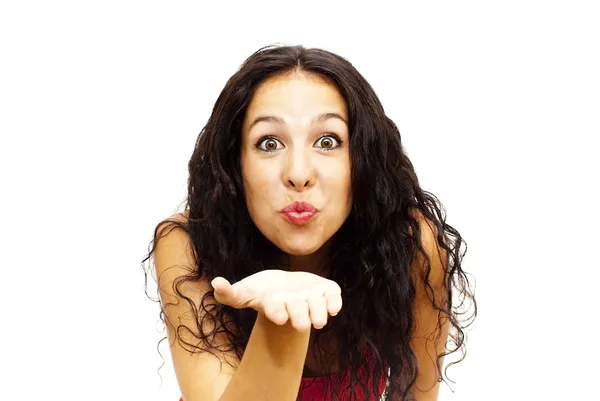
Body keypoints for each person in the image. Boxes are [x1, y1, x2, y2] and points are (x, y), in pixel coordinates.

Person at [142, 44, 477, 401]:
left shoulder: (413, 246)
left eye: (328, 141)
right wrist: (282, 319)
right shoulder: (187, 245)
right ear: (235, 165)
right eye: (269, 143)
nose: (299, 174)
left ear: (361, 159)